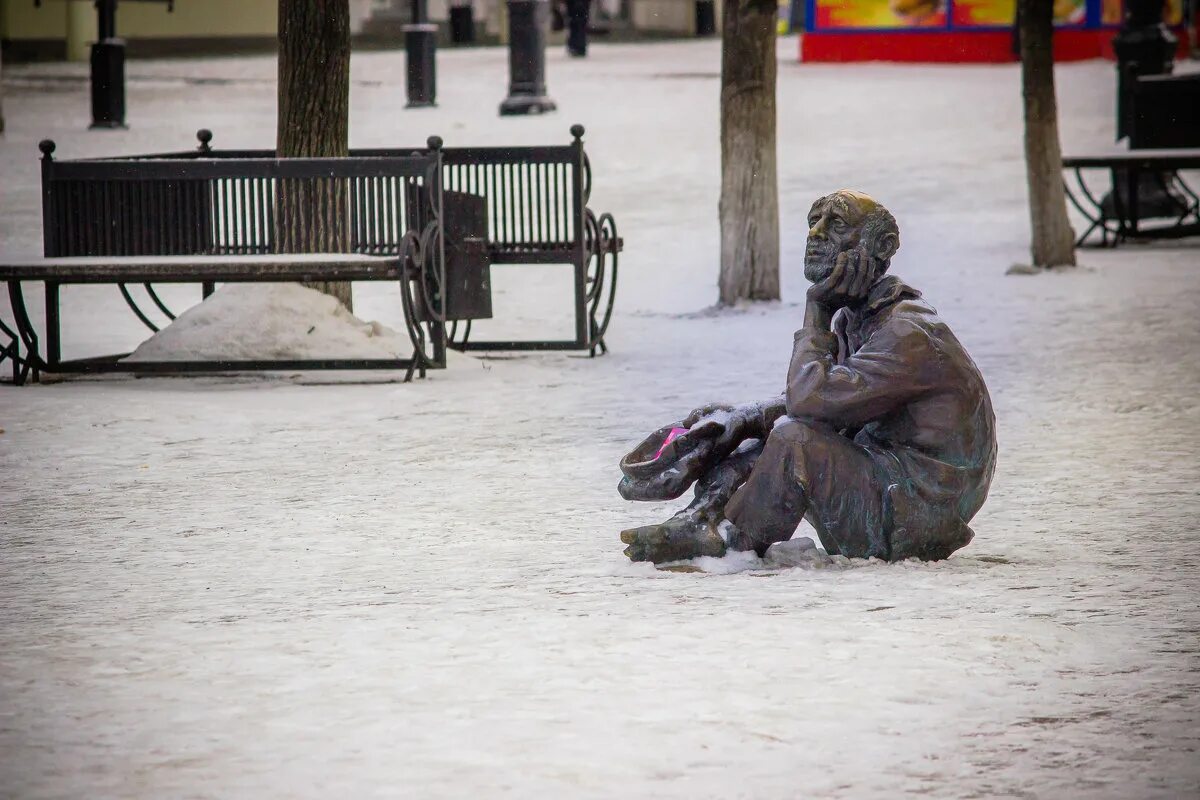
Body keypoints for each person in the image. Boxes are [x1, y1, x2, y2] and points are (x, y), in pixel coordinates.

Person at [619, 190, 997, 565]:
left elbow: (809, 403)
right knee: (765, 425)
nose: (815, 234)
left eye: (836, 225)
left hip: (917, 511)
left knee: (793, 439)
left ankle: (732, 544)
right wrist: (741, 419)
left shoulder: (906, 333)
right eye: (813, 222)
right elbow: (829, 403)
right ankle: (703, 518)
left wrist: (816, 310)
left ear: (880, 246)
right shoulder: (860, 317)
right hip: (893, 486)